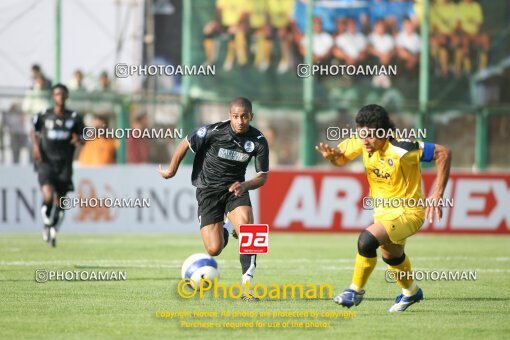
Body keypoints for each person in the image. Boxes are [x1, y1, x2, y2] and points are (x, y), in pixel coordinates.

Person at [315, 104, 452, 312]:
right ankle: (411, 292)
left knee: (366, 240)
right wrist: (333, 159)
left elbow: (443, 153)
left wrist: (437, 193)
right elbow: (342, 159)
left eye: (370, 136)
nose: (365, 142)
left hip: (409, 212)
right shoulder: (362, 140)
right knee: (392, 256)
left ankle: (355, 290)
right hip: (383, 213)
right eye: (362, 135)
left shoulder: (402, 147)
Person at [158, 97, 269, 301]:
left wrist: (244, 185)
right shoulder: (213, 131)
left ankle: (247, 287)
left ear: (251, 117)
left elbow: (262, 176)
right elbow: (186, 143)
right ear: (230, 116)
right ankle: (228, 228)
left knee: (248, 228)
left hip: (236, 189)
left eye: (245, 116)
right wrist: (171, 170)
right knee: (214, 248)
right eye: (236, 116)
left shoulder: (258, 141)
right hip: (207, 190)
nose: (240, 121)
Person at [32, 84, 85, 247]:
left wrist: (80, 140)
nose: (60, 97)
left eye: (62, 94)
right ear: (52, 97)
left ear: (67, 96)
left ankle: (53, 228)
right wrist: (35, 146)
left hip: (64, 164)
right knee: (48, 195)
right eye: (56, 94)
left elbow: (84, 136)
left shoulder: (74, 117)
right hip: (46, 162)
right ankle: (47, 224)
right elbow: (34, 131)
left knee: (60, 201)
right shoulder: (44, 115)